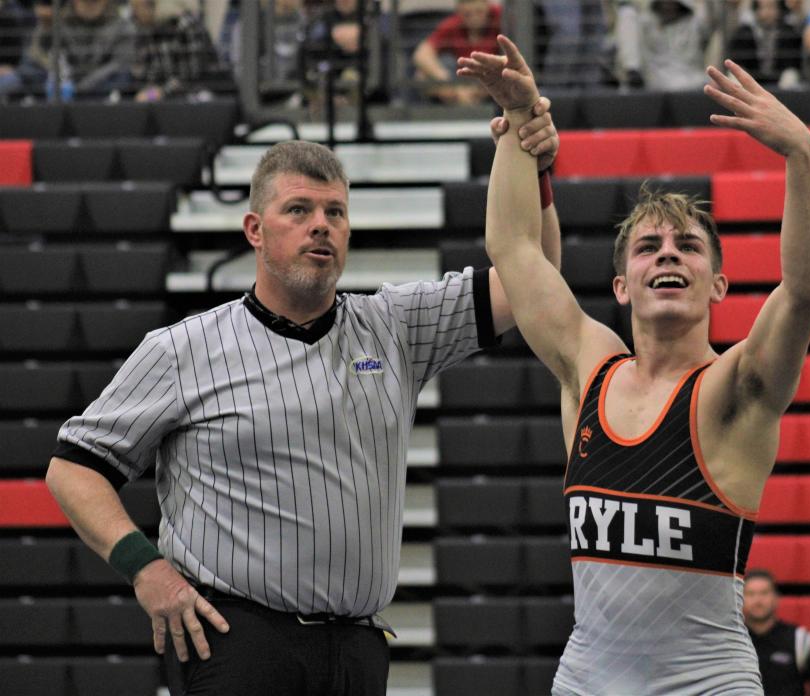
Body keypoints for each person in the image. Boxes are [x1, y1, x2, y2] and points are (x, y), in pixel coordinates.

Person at [44, 109, 561, 693]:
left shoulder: (394, 325)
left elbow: (533, 284)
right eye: (299, 210)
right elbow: (73, 470)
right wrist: (145, 569)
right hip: (237, 639)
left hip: (358, 646)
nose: (321, 225)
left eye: (335, 212)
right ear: (254, 230)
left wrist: (534, 170)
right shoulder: (182, 348)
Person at [460, 33, 810, 694]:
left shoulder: (734, 390)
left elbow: (802, 292)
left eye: (688, 247)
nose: (667, 255)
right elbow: (514, 247)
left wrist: (801, 154)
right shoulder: (588, 367)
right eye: (648, 247)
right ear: (623, 285)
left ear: (718, 286)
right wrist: (518, 123)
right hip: (587, 680)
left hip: (707, 684)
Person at [743, 569, 810, 696]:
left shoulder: (800, 640)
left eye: (764, 593)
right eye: (750, 594)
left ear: (776, 597)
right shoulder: (731, 641)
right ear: (740, 598)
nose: (758, 600)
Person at [130, 0, 231, 101]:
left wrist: (157, 93)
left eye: (137, 8)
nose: (134, 15)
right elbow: (145, 72)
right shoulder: (146, 31)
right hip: (166, 97)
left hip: (204, 92)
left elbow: (190, 76)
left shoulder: (187, 25)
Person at [412, 0, 500, 104]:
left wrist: (480, 90)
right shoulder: (453, 24)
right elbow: (421, 54)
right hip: (457, 84)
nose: (474, 18)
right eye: (468, 14)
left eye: (479, 12)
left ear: (487, 7)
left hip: (489, 82)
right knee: (421, 76)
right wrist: (449, 83)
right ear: (459, 11)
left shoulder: (501, 18)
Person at [729, 0, 804, 87]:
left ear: (779, 8)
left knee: (790, 76)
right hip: (752, 79)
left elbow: (793, 63)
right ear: (756, 8)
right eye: (763, 7)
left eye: (771, 7)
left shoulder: (789, 32)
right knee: (735, 76)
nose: (767, 12)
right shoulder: (745, 31)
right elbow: (737, 59)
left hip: (780, 81)